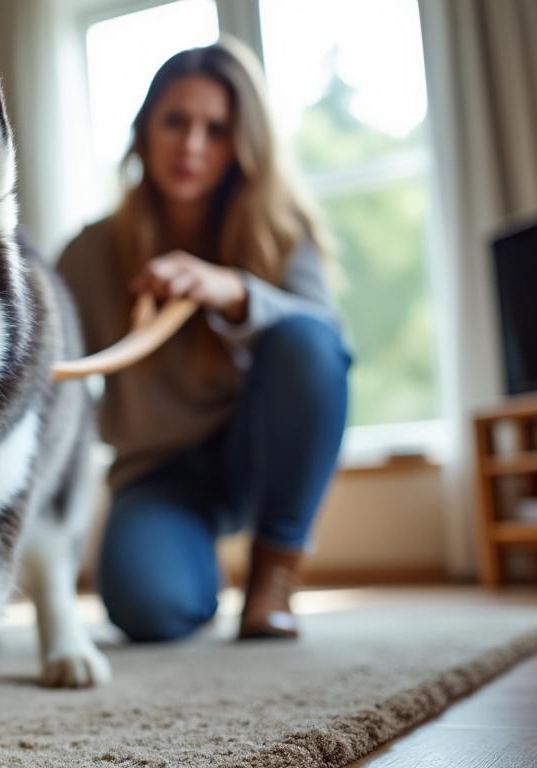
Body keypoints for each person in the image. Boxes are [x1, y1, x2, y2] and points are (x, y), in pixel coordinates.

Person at [57, 37, 351, 642]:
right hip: (159, 473)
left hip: (258, 453)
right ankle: (188, 563)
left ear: (242, 144)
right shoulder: (89, 252)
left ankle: (273, 580)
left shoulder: (280, 233)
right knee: (150, 610)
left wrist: (236, 291)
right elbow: (48, 369)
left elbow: (326, 349)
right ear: (143, 131)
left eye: (216, 129)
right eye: (175, 122)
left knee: (305, 339)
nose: (192, 145)